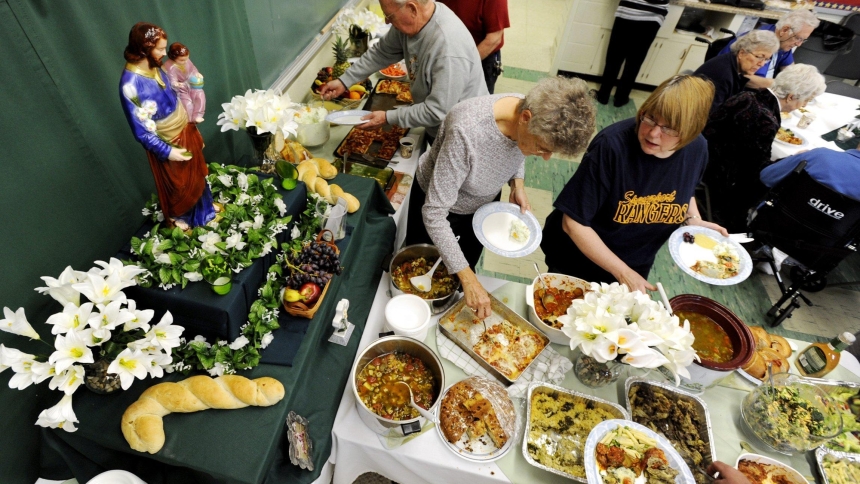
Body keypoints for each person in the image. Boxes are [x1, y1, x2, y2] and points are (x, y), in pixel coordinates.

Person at [405, 77, 596, 318]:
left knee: (463, 270)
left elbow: (518, 149)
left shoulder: (529, 114)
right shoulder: (466, 131)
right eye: (542, 148)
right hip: (439, 208)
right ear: (525, 118)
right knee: (422, 273)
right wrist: (469, 279)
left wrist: (518, 183)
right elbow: (433, 213)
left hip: (480, 208)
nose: (545, 157)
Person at [541, 75, 728, 294]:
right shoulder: (612, 147)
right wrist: (623, 273)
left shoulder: (697, 149)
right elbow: (573, 223)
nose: (653, 133)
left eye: (669, 128)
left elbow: (685, 190)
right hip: (580, 259)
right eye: (650, 118)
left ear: (690, 131)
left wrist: (693, 221)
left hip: (635, 263)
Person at [318, 0, 487, 142]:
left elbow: (437, 111)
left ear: (412, 9)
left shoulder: (448, 47)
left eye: (389, 16)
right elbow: (382, 52)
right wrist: (344, 81)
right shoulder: (413, 23)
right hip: (439, 128)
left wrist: (387, 117)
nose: (386, 21)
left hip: (463, 137)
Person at [703, 64, 826, 232]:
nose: (803, 104)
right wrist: (791, 159)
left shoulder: (746, 95)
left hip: (704, 156)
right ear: (790, 97)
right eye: (805, 100)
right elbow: (759, 170)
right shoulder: (766, 119)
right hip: (720, 176)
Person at [119, 22, 215, 229]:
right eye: (160, 49)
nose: (164, 53)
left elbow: (175, 90)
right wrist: (167, 150)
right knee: (179, 186)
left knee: (197, 175)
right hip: (168, 141)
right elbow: (142, 132)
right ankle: (181, 218)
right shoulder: (130, 85)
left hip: (185, 128)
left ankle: (204, 211)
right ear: (144, 49)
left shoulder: (156, 67)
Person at [719, 10, 820, 89]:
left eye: (803, 40)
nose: (799, 44)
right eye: (798, 38)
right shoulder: (757, 41)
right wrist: (777, 85)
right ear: (784, 30)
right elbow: (738, 77)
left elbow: (790, 70)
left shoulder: (784, 42)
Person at [595, 0, 669, 107]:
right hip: (653, 17)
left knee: (614, 58)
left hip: (628, 11)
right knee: (634, 62)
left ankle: (603, 95)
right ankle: (621, 98)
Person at [694, 29, 779, 114]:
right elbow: (709, 115)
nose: (762, 64)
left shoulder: (733, 66)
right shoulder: (723, 75)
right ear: (741, 53)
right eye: (759, 56)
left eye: (766, 59)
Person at [438, 0, 510, 94]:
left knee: (477, 103)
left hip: (480, 57)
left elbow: (494, 38)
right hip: (445, 52)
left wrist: (463, 65)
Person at [761, 145, 860, 201]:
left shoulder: (819, 155)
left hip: (771, 221)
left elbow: (766, 177)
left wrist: (794, 158)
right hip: (825, 236)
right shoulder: (819, 155)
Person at [164, 42, 206, 124]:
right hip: (180, 89)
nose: (186, 61)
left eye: (187, 58)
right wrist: (176, 84)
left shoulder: (186, 61)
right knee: (187, 103)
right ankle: (189, 120)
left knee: (200, 95)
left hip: (190, 83)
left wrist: (196, 73)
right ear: (173, 57)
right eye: (182, 60)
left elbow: (192, 69)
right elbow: (172, 81)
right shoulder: (170, 67)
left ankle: (198, 116)